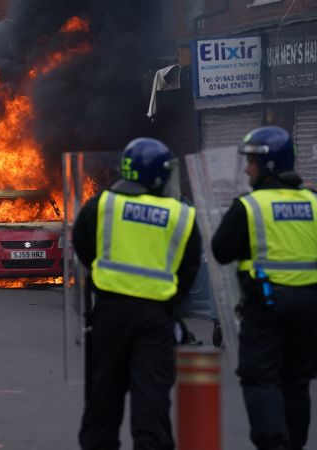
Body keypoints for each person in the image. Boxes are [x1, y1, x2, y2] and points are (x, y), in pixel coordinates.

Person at [73, 138, 202, 450]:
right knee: (152, 406)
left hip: (109, 315)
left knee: (102, 405)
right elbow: (189, 266)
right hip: (156, 319)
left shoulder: (104, 204)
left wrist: (103, 275)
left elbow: (82, 244)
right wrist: (171, 299)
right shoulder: (179, 214)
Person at [212, 126, 317, 450]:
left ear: (269, 164)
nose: (247, 168)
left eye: (253, 161)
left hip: (267, 306)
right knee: (296, 381)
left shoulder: (250, 206)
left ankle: (275, 445)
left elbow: (221, 250)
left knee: (261, 378)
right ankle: (294, 444)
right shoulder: (313, 202)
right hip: (310, 307)